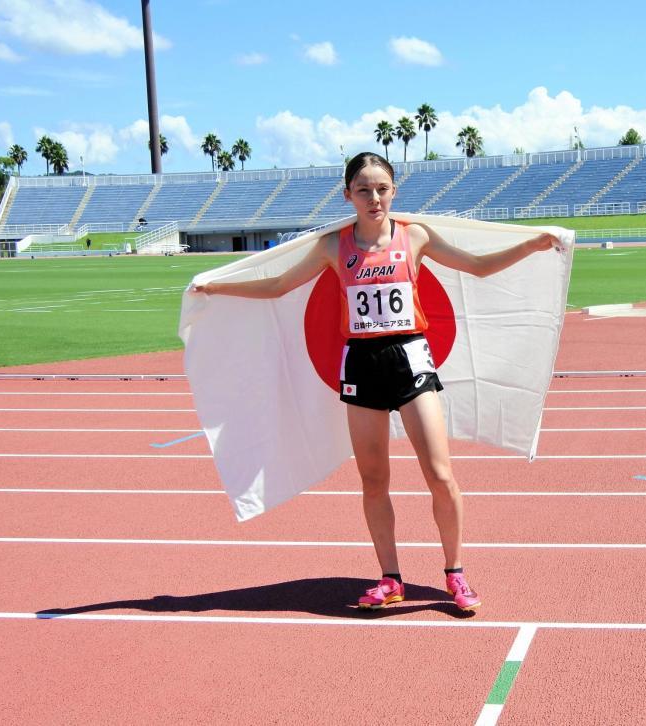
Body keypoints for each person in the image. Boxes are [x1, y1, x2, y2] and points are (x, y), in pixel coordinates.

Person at [192, 152, 557, 612]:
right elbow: (278, 285)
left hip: (410, 358)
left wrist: (533, 244)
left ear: (394, 192)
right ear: (347, 195)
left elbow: (477, 266)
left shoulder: (415, 237)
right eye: (363, 190)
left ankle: (456, 573)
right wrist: (218, 286)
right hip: (361, 364)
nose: (373, 198)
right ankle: (390, 578)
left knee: (440, 474)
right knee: (373, 479)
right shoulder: (334, 246)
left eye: (381, 188)